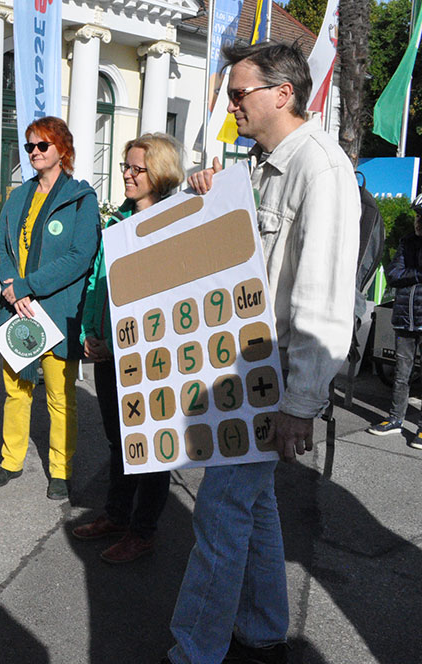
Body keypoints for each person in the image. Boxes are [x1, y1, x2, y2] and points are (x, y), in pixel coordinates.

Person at [164, 42, 359, 664]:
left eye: (238, 93)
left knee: (221, 515)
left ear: (283, 93)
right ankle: (265, 626)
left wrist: (302, 402)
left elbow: (323, 296)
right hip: (243, 377)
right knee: (255, 506)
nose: (231, 105)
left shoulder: (319, 168)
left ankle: (195, 651)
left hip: (270, 381)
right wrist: (206, 193)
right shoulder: (256, 164)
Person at [73, 133, 184, 563]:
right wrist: (89, 332)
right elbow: (96, 281)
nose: (127, 174)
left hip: (149, 355)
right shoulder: (117, 220)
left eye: (137, 168)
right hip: (108, 352)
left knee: (150, 446)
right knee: (119, 442)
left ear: (158, 172)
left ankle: (144, 530)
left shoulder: (176, 221)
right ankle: (117, 515)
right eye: (126, 166)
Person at [0, 116, 100, 500]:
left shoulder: (81, 198)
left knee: (59, 395)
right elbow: (2, 248)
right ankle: (11, 460)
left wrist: (28, 286)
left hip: (56, 309)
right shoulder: (17, 196)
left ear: (62, 150)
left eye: (42, 146)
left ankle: (60, 469)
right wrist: (11, 287)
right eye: (29, 146)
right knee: (16, 389)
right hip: (17, 308)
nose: (34, 152)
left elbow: (80, 256)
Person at [368, 192, 422, 450]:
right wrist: (417, 273)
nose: (418, 222)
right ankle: (395, 419)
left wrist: (409, 274)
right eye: (417, 217)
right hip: (404, 320)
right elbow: (393, 275)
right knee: (401, 374)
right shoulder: (407, 242)